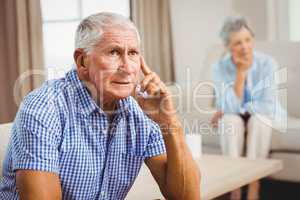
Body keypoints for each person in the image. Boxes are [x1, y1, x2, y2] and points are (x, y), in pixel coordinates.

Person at [0, 12, 200, 200]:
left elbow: (187, 197)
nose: (128, 68)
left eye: (133, 53)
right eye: (114, 52)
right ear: (82, 61)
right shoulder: (44, 107)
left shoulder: (140, 111)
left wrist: (169, 121)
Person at [211, 16, 283, 200]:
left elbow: (267, 105)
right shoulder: (219, 67)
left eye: (247, 40)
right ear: (228, 46)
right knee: (229, 121)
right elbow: (228, 108)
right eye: (237, 43)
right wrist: (240, 74)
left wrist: (232, 107)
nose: (244, 47)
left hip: (262, 115)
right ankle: (235, 186)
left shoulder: (268, 63)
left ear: (253, 39)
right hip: (236, 115)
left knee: (259, 121)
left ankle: (253, 183)